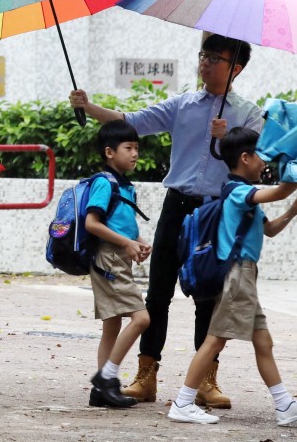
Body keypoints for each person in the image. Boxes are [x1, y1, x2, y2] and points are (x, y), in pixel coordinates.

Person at [69, 34, 262, 406]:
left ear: (235, 67)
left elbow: (253, 166)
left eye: (214, 58)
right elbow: (131, 122)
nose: (204, 62)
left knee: (208, 296)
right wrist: (89, 106)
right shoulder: (183, 104)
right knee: (158, 292)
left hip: (215, 214)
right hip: (177, 205)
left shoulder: (249, 115)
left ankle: (206, 380)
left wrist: (227, 142)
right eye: (202, 55)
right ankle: (146, 376)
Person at [168, 127, 297, 425]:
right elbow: (278, 190)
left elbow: (270, 229)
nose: (264, 164)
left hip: (245, 276)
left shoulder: (244, 196)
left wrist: (292, 209)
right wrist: (290, 176)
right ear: (245, 157)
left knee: (263, 342)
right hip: (238, 274)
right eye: (261, 157)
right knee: (215, 340)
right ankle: (183, 403)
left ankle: (284, 406)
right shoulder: (239, 192)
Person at [82, 120, 151, 408]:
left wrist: (137, 241)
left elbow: (120, 223)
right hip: (109, 259)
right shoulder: (104, 182)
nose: (135, 153)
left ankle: (100, 393)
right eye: (128, 148)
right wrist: (125, 243)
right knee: (141, 318)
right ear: (110, 152)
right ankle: (106, 378)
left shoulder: (124, 184)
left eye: (136, 148)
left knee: (112, 326)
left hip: (118, 257)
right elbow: (92, 223)